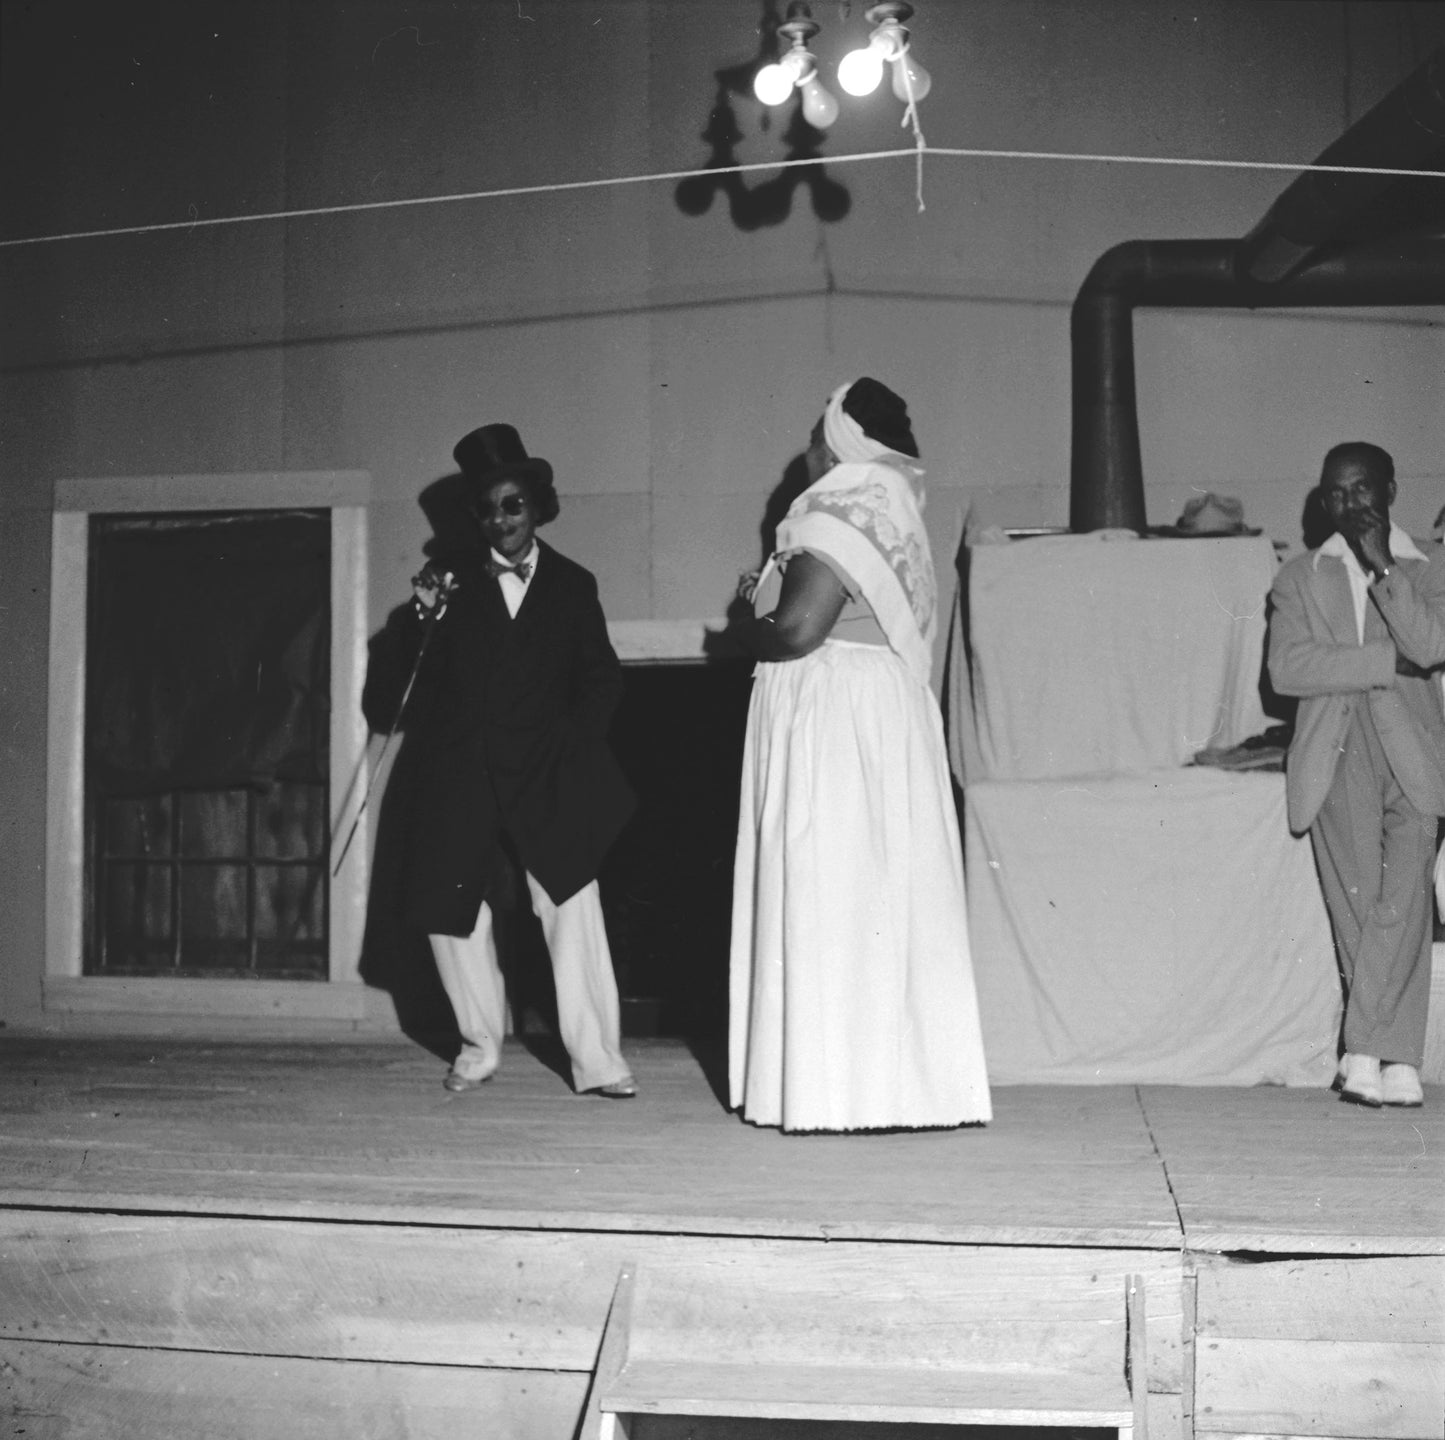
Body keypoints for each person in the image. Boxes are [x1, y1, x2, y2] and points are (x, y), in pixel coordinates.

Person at [728, 377, 992, 1132]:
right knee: (870, 894)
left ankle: (826, 1091)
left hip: (834, 716)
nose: (807, 449)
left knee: (829, 887)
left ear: (842, 443)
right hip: (874, 714)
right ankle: (885, 1087)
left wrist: (737, 626)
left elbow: (795, 631)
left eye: (819, 433)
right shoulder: (891, 510)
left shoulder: (838, 509)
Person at [363, 423, 637, 1098]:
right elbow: (393, 699)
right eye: (486, 509)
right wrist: (421, 620)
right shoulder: (447, 583)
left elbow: (601, 680)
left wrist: (572, 746)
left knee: (571, 906)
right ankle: (477, 1048)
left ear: (537, 506)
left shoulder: (574, 585)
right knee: (451, 912)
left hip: (546, 771)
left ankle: (598, 1062)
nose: (500, 520)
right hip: (461, 775)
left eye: (512, 505)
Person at [1268, 442, 1445, 1109]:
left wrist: (1380, 567)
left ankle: (1366, 1050)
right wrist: (1379, 665)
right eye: (1335, 494)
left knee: (1401, 902)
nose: (1349, 504)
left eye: (1362, 490)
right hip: (1335, 749)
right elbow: (1288, 670)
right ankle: (1393, 1060)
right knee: (1360, 902)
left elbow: (1429, 646)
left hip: (1418, 752)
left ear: (1390, 490)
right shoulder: (1297, 577)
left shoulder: (1431, 564)